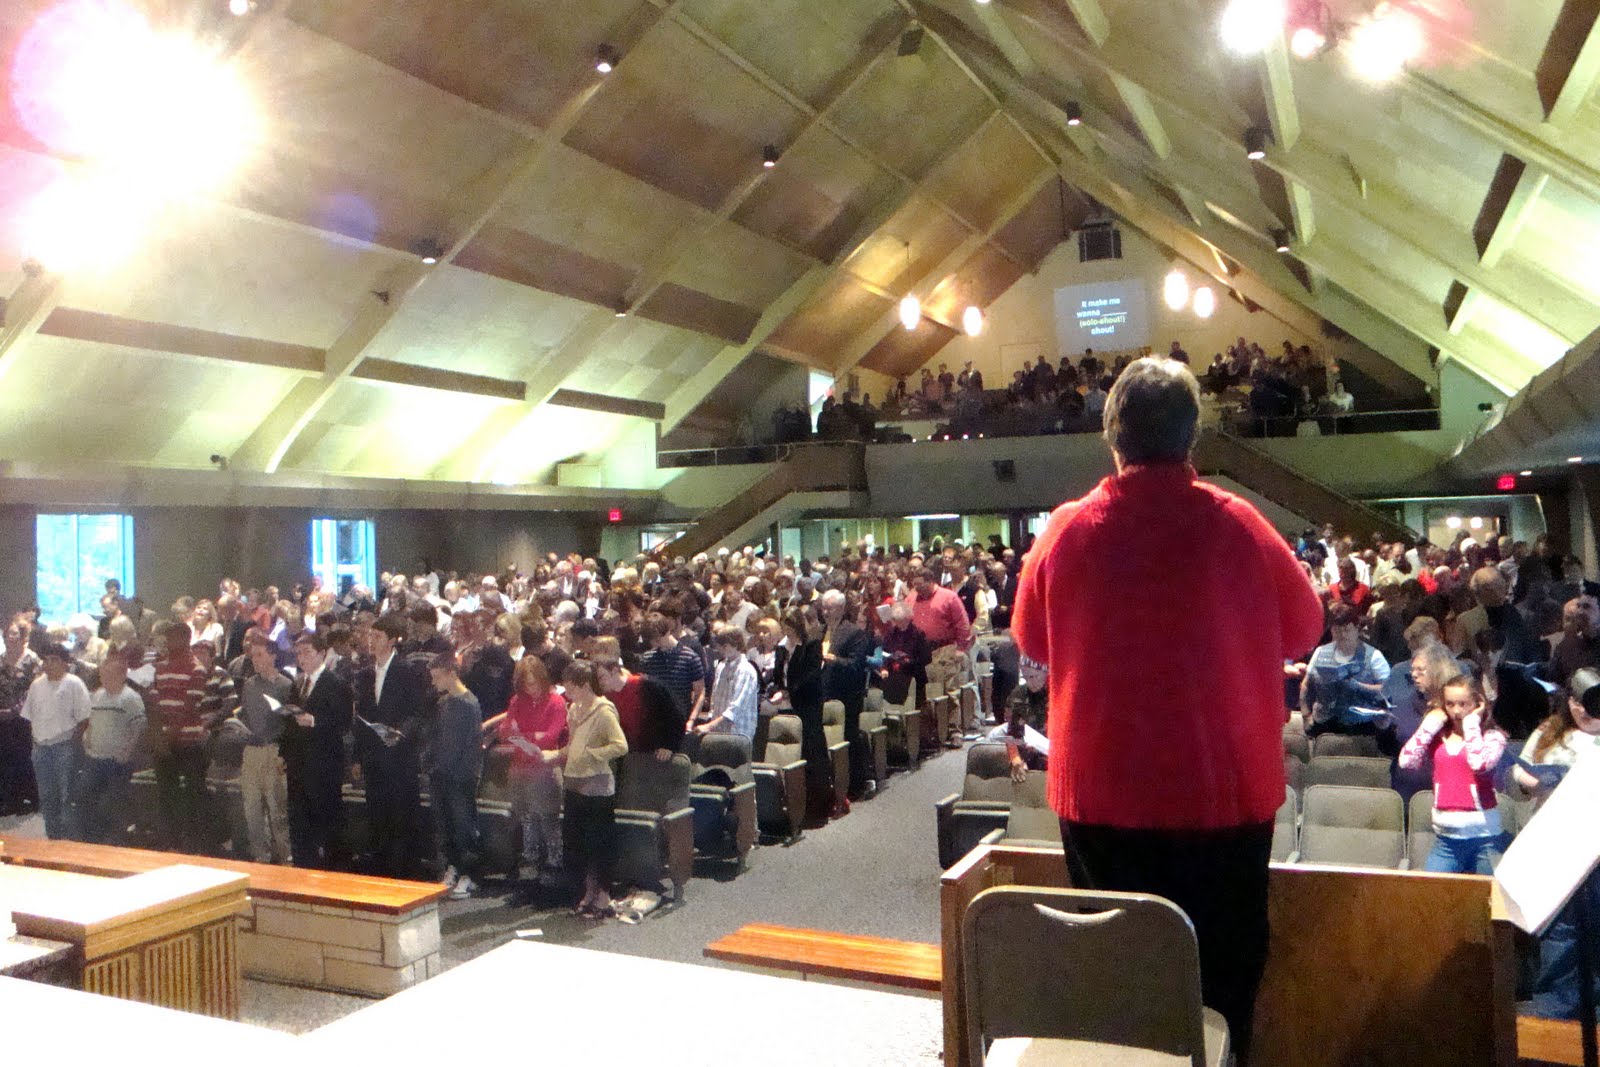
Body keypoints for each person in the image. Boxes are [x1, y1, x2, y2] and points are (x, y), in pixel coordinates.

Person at [1012, 356, 1323, 1064]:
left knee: (1123, 981)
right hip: (1224, 798)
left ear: (1111, 435)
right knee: (1224, 981)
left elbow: (1032, 637)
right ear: (1192, 439)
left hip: (1101, 796)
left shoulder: (1066, 529)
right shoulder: (1238, 523)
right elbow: (1306, 627)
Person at [1516, 668, 1600, 1019]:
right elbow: (1520, 774)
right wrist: (1536, 783)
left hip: (1595, 852)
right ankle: (1558, 1006)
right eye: (1579, 704)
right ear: (1570, 702)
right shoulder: (1550, 731)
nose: (1585, 712)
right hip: (1556, 849)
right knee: (1561, 931)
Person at [1398, 675, 1511, 874]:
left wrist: (1472, 723)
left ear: (1478, 704)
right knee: (1434, 896)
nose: (1456, 711)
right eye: (1450, 704)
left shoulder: (1493, 737)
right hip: (1446, 841)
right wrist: (1428, 725)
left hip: (1485, 839)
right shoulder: (1438, 737)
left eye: (1463, 704)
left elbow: (1479, 764)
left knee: (1488, 900)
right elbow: (1406, 762)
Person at [551, 661, 628, 919]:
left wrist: (593, 754)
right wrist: (550, 755)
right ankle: (587, 891)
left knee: (599, 843)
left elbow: (620, 746)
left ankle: (603, 893)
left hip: (597, 786)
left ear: (584, 686)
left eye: (571, 687)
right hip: (574, 781)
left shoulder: (604, 711)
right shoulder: (574, 709)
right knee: (577, 844)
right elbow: (572, 746)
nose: (567, 692)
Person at [485, 656, 567, 895]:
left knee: (548, 818)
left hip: (544, 768)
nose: (531, 689)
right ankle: (531, 861)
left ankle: (554, 862)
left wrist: (525, 735)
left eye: (535, 683)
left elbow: (551, 736)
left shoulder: (556, 702)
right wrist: (531, 735)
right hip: (520, 767)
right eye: (526, 684)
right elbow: (505, 731)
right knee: (526, 817)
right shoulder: (517, 700)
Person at [356, 615, 429, 878]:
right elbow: (361, 715)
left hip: (399, 756)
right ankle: (381, 868)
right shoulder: (365, 674)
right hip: (374, 756)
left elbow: (418, 711)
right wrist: (357, 757)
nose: (371, 641)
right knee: (377, 814)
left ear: (390, 640)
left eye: (376, 637)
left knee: (401, 815)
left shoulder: (407, 670)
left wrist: (400, 733)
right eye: (369, 637)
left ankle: (404, 870)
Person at [283, 632, 353, 870]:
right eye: (298, 653)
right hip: (299, 763)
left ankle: (335, 868)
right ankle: (304, 864)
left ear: (322, 653)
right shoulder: (298, 683)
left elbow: (343, 721)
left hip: (323, 762)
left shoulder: (335, 683)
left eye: (307, 652)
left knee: (328, 817)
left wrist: (315, 721)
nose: (302, 658)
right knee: (300, 819)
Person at [150, 622, 213, 852]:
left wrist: (171, 735)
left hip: (188, 742)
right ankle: (171, 842)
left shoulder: (196, 668)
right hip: (165, 743)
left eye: (172, 638)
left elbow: (190, 705)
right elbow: (156, 702)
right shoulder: (161, 668)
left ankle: (195, 845)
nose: (168, 642)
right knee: (167, 793)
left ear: (185, 639)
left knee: (193, 794)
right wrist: (159, 735)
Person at [17, 644, 92, 839]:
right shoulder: (37, 685)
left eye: (54, 660)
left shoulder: (74, 684)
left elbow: (84, 718)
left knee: (67, 795)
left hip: (64, 746)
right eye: (46, 660)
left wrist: (73, 743)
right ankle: (52, 837)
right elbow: (29, 715)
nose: (49, 664)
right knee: (47, 796)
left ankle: (69, 839)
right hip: (41, 747)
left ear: (65, 663)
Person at [74, 647, 146, 843]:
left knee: (113, 803)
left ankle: (113, 841)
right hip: (94, 758)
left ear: (122, 675)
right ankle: (89, 839)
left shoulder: (130, 698)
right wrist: (86, 738)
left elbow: (139, 727)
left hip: (117, 761)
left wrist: (128, 751)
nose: (104, 678)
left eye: (108, 674)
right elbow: (91, 721)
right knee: (85, 798)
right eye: (102, 674)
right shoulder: (97, 696)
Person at [427, 653, 484, 899]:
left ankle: (469, 874)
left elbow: (469, 745)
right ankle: (453, 866)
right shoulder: (443, 704)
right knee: (446, 825)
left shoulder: (469, 704)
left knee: (463, 826)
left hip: (460, 776)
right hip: (441, 773)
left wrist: (461, 771)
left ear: (451, 673)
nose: (433, 682)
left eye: (437, 676)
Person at [238, 632, 294, 864]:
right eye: (252, 657)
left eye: (260, 655)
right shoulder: (249, 685)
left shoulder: (286, 685)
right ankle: (260, 856)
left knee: (277, 809)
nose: (256, 661)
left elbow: (289, 722)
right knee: (252, 809)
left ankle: (286, 856)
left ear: (272, 656)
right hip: (252, 750)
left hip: (273, 750)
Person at [1301, 602, 1392, 736]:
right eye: (1337, 630)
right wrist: (1305, 714)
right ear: (1331, 630)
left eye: (1347, 630)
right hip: (1325, 723)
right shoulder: (1320, 652)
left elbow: (1388, 689)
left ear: (1357, 628)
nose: (1342, 635)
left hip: (1363, 725)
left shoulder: (1374, 656)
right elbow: (1305, 686)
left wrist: (1358, 686)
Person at [818, 589, 872, 800]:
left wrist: (833, 659)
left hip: (846, 694)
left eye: (829, 607)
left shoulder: (853, 633)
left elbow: (856, 665)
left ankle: (856, 783)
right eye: (822, 607)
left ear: (840, 608)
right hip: (823, 692)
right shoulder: (820, 631)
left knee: (848, 737)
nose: (824, 611)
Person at [701, 626, 759, 740]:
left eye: (723, 647)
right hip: (718, 731)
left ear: (733, 645)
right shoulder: (721, 666)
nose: (720, 651)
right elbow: (715, 699)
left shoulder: (745, 670)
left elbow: (736, 707)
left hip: (738, 733)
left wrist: (709, 726)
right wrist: (710, 719)